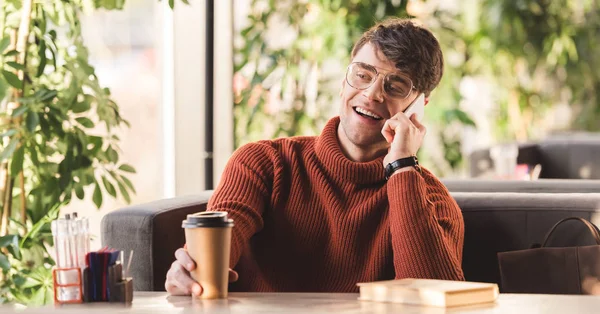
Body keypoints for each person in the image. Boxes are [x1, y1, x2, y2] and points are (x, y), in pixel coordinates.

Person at [165, 18, 464, 296]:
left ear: (419, 106)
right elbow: (221, 240)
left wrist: (401, 168)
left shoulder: (432, 201)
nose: (372, 94)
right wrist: (191, 271)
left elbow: (436, 301)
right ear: (344, 80)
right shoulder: (263, 163)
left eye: (395, 85)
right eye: (362, 74)